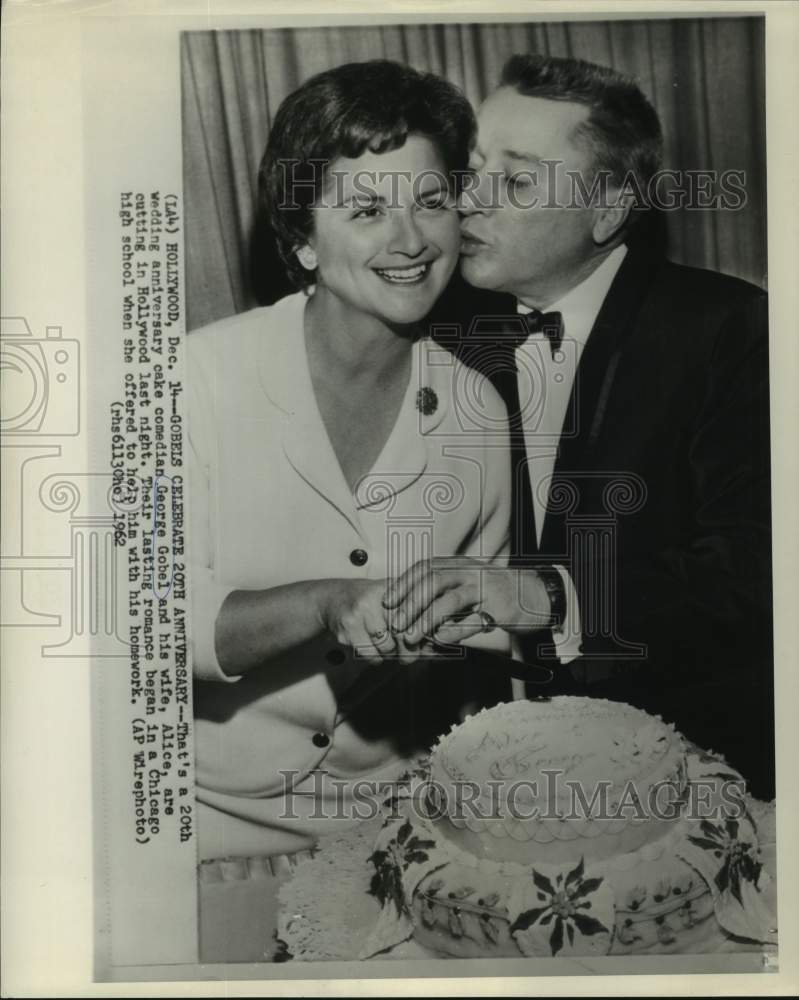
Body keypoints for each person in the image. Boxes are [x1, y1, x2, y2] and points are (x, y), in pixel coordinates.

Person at [384, 54, 774, 798]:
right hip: (494, 771)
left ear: (607, 209)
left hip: (687, 780)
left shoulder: (730, 330)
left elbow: (756, 573)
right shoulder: (441, 331)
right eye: (471, 170)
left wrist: (545, 598)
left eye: (518, 180)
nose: (469, 202)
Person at [187, 59, 512, 877]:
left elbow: (484, 652)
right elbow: (147, 633)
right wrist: (326, 603)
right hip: (205, 834)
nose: (409, 241)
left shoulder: (477, 409)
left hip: (398, 835)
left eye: (431, 202)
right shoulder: (193, 381)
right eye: (366, 210)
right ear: (300, 235)